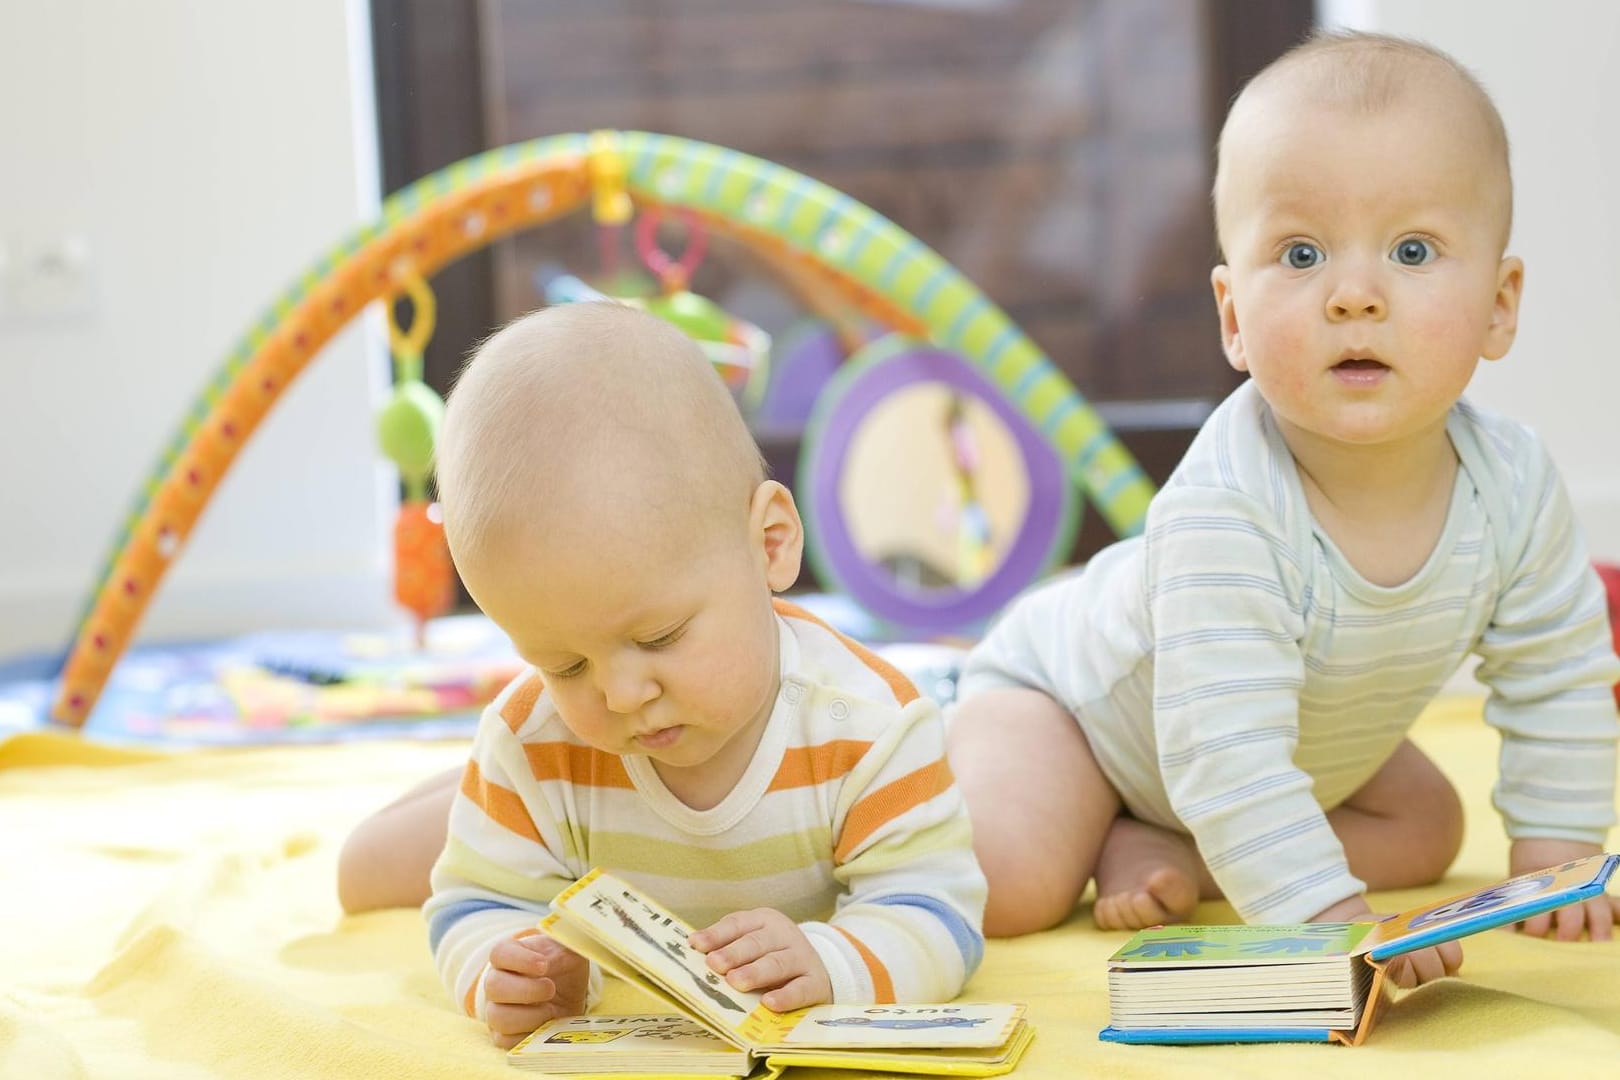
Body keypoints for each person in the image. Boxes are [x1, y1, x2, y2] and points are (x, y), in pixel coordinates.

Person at [946, 29, 1620, 988]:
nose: (1354, 295)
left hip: (1282, 739)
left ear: (1501, 304)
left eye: (1413, 250)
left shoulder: (1512, 485)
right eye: (1301, 253)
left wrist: (1560, 852)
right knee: (1011, 882)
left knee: (1428, 831)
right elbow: (1226, 753)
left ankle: (1157, 845)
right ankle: (1059, 792)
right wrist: (1330, 919)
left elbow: (1556, 672)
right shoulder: (1228, 509)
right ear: (1232, 316)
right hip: (1075, 712)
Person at [402, 302, 985, 1048]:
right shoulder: (533, 739)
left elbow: (938, 908)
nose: (620, 695)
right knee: (372, 868)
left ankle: (446, 806)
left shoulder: (871, 725)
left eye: (660, 636)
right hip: (536, 807)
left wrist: (834, 959)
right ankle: (443, 809)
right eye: (564, 664)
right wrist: (501, 966)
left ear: (770, 544)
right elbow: (475, 900)